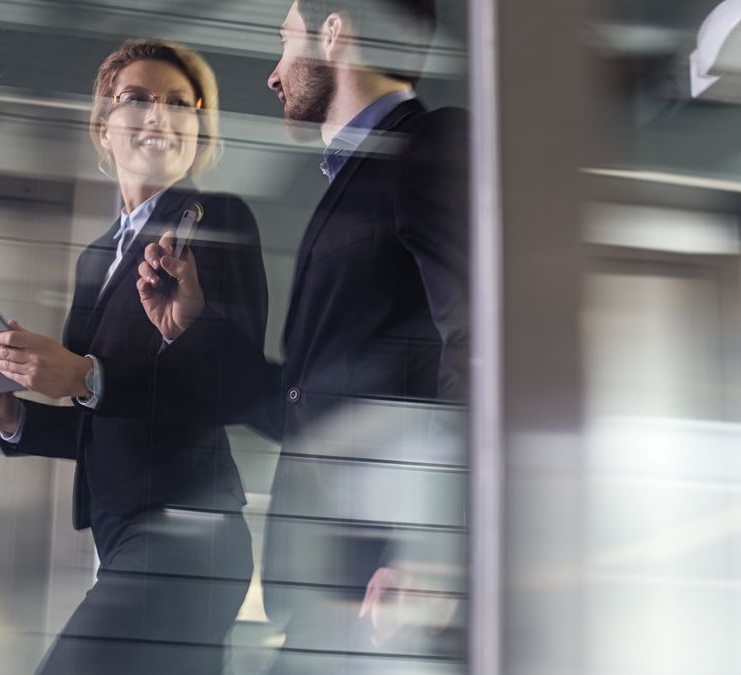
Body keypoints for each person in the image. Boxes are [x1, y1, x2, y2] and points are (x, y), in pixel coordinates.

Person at [136, 1, 468, 671]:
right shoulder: (362, 175)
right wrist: (196, 328)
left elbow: (482, 342)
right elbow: (304, 407)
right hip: (332, 587)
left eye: (285, 41)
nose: (273, 73)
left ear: (335, 32)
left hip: (389, 591)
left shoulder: (428, 145)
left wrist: (433, 547)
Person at [0, 39, 269, 675]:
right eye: (137, 99)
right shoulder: (97, 257)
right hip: (122, 530)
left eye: (179, 104)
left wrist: (83, 375)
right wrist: (19, 419)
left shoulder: (216, 221)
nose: (159, 115)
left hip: (188, 528)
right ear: (104, 127)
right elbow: (111, 416)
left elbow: (227, 383)